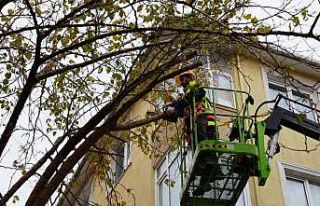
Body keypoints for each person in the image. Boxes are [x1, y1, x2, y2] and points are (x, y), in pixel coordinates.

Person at [165, 71, 222, 196]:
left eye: (185, 78)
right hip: (196, 125)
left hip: (203, 119)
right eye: (182, 79)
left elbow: (200, 93)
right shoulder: (185, 96)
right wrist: (172, 105)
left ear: (190, 78)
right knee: (201, 152)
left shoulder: (195, 87)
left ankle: (215, 171)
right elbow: (179, 111)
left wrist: (184, 99)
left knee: (204, 146)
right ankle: (205, 182)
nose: (183, 81)